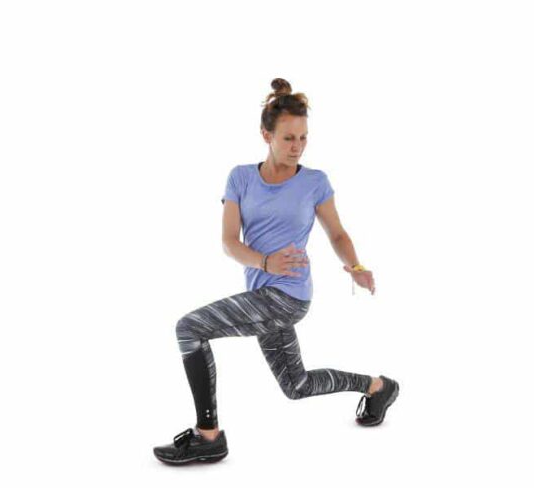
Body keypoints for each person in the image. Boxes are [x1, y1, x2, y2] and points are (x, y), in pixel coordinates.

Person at [153, 78, 400, 466]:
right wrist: (265, 262)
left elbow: (337, 233)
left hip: (289, 296)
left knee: (190, 329)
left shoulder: (314, 182)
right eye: (288, 138)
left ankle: (208, 436)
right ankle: (377, 387)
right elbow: (229, 242)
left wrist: (356, 266)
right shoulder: (240, 178)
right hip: (262, 293)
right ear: (266, 135)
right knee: (296, 385)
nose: (297, 146)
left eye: (303, 137)